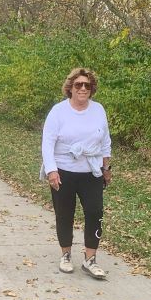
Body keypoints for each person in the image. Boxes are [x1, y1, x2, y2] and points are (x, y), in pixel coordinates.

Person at [40, 67, 112, 279]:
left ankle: (90, 259)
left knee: (95, 212)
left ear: (92, 89)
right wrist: (51, 170)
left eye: (87, 85)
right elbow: (48, 143)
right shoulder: (58, 111)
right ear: (70, 88)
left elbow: (106, 141)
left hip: (91, 171)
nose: (82, 88)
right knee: (64, 214)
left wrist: (106, 168)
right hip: (64, 171)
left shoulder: (98, 110)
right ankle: (66, 255)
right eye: (78, 84)